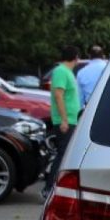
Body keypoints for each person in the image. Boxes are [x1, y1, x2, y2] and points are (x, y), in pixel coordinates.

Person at [42, 46, 80, 198]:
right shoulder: (61, 72)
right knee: (63, 154)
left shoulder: (66, 72)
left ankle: (55, 186)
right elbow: (59, 95)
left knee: (66, 154)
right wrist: (64, 119)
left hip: (71, 118)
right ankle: (48, 187)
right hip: (65, 120)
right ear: (76, 57)